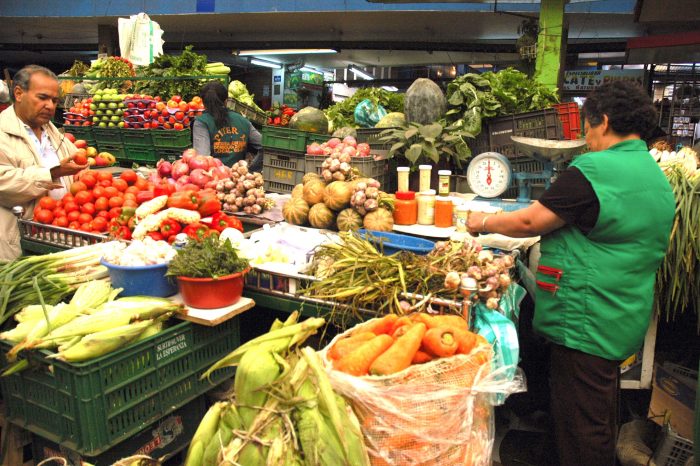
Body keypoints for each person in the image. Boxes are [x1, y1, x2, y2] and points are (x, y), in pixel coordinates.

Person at [467, 81, 675, 466]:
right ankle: (551, 453)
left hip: (587, 319)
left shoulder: (596, 169)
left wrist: (480, 220)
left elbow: (531, 220)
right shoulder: (651, 172)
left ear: (604, 121)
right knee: (590, 408)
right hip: (619, 312)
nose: (587, 138)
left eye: (588, 128)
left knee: (586, 429)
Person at [0, 65, 88, 261]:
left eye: (54, 100)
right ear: (19, 93)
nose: (50, 105)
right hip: (20, 241)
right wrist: (51, 173)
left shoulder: (51, 130)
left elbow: (77, 160)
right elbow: (3, 182)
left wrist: (83, 174)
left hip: (62, 234)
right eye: (43, 98)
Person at [192, 80, 262, 169]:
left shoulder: (201, 122)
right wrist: (252, 167)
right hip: (239, 178)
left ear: (203, 102)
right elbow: (265, 146)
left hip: (213, 179)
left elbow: (202, 159)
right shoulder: (243, 121)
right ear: (226, 101)